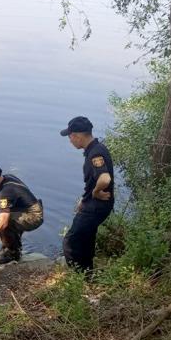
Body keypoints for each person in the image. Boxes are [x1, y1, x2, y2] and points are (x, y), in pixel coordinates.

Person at [60, 116, 114, 274]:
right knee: (86, 239)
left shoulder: (95, 154)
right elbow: (93, 181)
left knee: (71, 242)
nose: (70, 141)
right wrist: (85, 200)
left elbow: (105, 178)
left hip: (96, 208)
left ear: (77, 135)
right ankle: (88, 274)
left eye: (70, 137)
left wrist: (96, 193)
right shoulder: (97, 149)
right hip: (95, 205)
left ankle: (79, 279)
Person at [0, 162, 43, 264]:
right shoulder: (8, 178)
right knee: (4, 217)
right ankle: (14, 245)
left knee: (4, 222)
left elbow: (3, 222)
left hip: (34, 216)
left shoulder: (6, 192)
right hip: (28, 209)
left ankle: (12, 253)